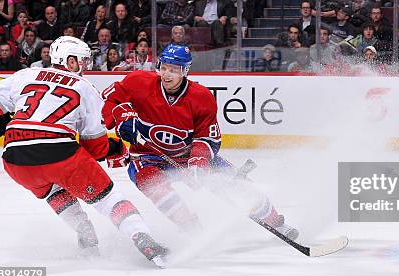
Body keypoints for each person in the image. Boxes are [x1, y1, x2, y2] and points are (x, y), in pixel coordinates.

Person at [0, 36, 168, 267]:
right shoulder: (84, 87)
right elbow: (95, 148)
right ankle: (143, 239)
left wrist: (10, 132)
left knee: (53, 191)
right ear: (68, 60)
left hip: (15, 159)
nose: (85, 66)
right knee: (109, 200)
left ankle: (86, 235)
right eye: (82, 60)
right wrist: (116, 147)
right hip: (59, 152)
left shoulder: (26, 74)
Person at [100, 44, 299, 239]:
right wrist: (122, 119)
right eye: (164, 68)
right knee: (153, 184)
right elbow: (109, 99)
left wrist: (198, 162)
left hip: (187, 156)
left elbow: (207, 138)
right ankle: (192, 229)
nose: (167, 75)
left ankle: (275, 221)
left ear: (185, 71)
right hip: (149, 156)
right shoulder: (138, 82)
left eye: (174, 70)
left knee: (236, 183)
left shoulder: (201, 98)